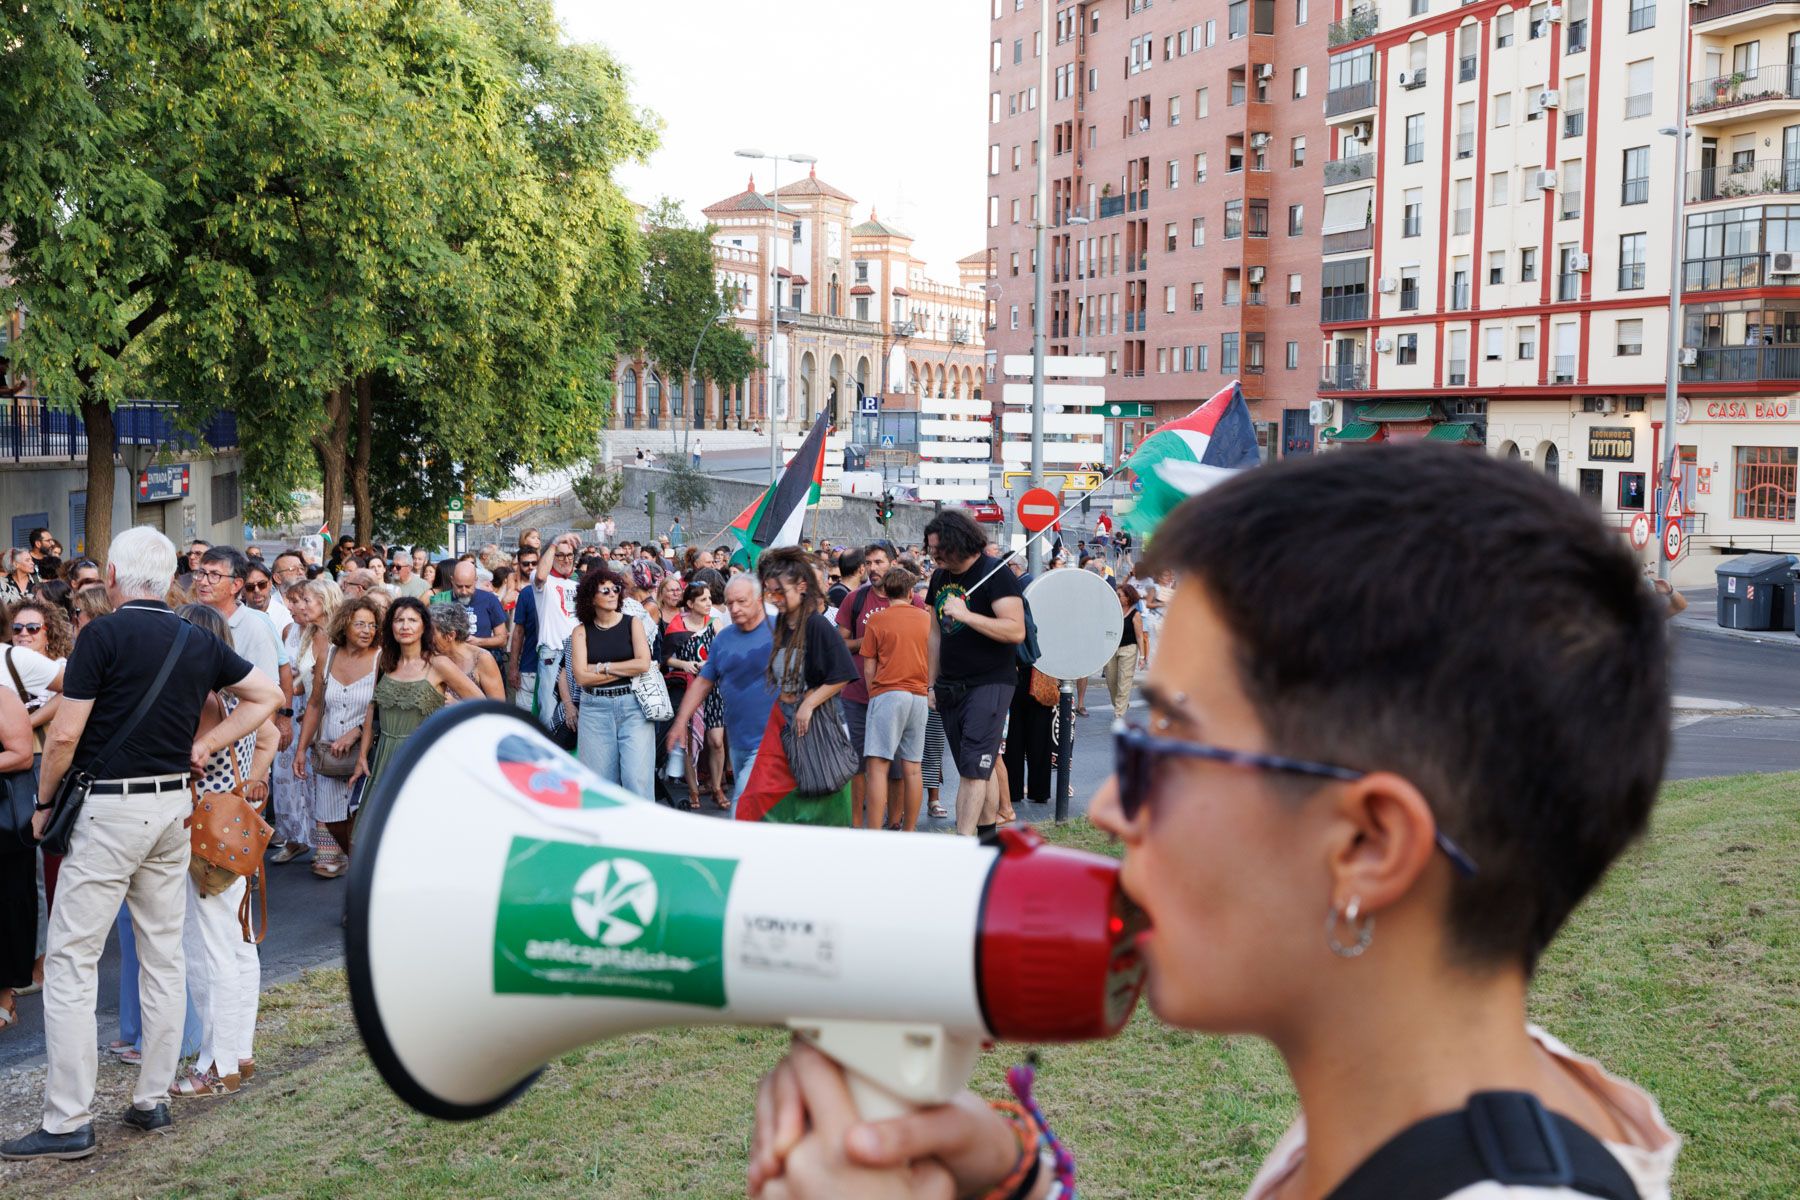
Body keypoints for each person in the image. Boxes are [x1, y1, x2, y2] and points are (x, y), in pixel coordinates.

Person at [746, 445, 1682, 1200]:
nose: (1110, 806)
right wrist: (1009, 1178)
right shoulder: (1419, 1112)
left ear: (1366, 848)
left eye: (1170, 746)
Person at [4, 527, 279, 1162]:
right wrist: (206, 744)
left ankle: (67, 1119)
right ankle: (151, 1098)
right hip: (172, 807)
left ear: (116, 578)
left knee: (72, 960)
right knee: (163, 954)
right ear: (168, 578)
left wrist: (43, 804)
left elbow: (65, 735)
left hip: (110, 809)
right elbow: (268, 696)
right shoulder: (193, 636)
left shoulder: (102, 635)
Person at [170, 603, 278, 1100]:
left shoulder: (198, 701)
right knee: (238, 945)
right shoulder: (236, 697)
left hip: (203, 836)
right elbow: (270, 735)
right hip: (234, 829)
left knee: (207, 952)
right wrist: (248, 784)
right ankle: (239, 1053)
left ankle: (216, 1065)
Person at [923, 510, 1025, 838]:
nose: (934, 556)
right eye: (931, 549)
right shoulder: (939, 578)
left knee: (972, 768)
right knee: (980, 766)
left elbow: (1015, 630)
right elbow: (935, 634)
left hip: (989, 682)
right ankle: (987, 836)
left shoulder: (995, 574)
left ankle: (962, 844)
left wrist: (967, 615)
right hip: (950, 685)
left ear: (959, 542)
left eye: (939, 549)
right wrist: (931, 683)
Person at [758, 548, 858, 826]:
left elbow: (842, 673)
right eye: (769, 592)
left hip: (819, 729)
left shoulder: (817, 625)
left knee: (822, 806)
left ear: (802, 586)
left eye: (780, 592)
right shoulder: (783, 624)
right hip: (788, 727)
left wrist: (809, 704)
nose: (774, 599)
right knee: (776, 808)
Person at [351, 598, 482, 800]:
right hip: (385, 757)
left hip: (423, 758)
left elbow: (481, 704)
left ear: (424, 626)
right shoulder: (385, 660)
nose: (405, 626)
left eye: (412, 620)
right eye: (399, 620)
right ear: (391, 626)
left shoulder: (439, 664)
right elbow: (372, 707)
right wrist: (362, 756)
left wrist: (443, 729)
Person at [668, 574, 778, 806]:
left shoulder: (780, 629)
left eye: (742, 602)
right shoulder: (724, 638)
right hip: (739, 741)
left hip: (772, 741)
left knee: (743, 806)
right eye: (730, 603)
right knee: (762, 811)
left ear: (759, 600)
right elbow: (703, 681)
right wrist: (681, 721)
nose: (734, 609)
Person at [292, 596, 381, 879]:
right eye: (360, 624)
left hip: (367, 752)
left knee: (360, 817)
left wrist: (357, 732)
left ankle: (365, 874)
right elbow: (315, 704)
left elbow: (383, 707)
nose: (367, 631)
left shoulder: (381, 659)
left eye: (372, 625)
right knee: (331, 826)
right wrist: (301, 749)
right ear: (345, 624)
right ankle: (343, 860)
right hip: (330, 752)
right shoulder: (328, 655)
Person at [192, 547, 289, 754]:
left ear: (236, 585)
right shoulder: (190, 619)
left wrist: (258, 764)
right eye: (201, 573)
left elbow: (267, 701)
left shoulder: (255, 627)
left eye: (214, 575)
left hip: (236, 749)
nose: (203, 581)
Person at [268, 578, 338, 865]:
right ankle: (298, 838)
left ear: (326, 602)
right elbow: (303, 682)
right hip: (306, 712)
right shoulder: (307, 632)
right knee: (296, 778)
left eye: (305, 600)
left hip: (332, 717)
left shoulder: (338, 636)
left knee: (326, 784)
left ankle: (332, 849)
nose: (297, 606)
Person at [568, 567, 655, 796]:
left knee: (637, 780)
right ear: (591, 598)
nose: (612, 594)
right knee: (600, 786)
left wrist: (602, 667)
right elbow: (581, 677)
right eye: (604, 590)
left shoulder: (632, 623)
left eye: (615, 589)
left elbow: (643, 664)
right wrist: (626, 668)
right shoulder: (580, 632)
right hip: (594, 709)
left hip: (632, 705)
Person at [858, 567, 930, 832]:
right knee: (913, 767)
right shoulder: (925, 618)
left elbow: (869, 666)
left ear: (886, 592)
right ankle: (909, 831)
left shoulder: (877, 620)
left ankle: (875, 832)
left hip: (888, 692)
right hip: (919, 696)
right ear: (911, 592)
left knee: (877, 767)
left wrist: (873, 694)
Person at [657, 581, 723, 810]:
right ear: (690, 603)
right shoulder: (677, 625)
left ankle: (717, 787)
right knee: (688, 742)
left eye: (709, 598)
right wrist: (684, 664)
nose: (708, 603)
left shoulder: (715, 623)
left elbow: (724, 653)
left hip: (713, 688)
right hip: (687, 688)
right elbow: (665, 658)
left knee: (716, 741)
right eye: (703, 599)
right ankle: (694, 789)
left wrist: (710, 663)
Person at [0, 687, 37, 1032]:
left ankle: (4, 999)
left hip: (4, 825)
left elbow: (23, 755)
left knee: (7, 908)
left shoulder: (2, 697)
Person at [532, 533, 582, 728]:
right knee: (548, 710)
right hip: (552, 652)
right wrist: (554, 543)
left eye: (569, 555)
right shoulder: (543, 581)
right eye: (560, 555)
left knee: (577, 708)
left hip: (576, 652)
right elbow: (540, 576)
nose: (566, 560)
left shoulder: (577, 585)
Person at [430, 602, 506, 701]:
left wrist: (457, 705)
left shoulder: (482, 659)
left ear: (450, 636)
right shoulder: (431, 656)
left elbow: (498, 706)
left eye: (430, 633)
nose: (425, 638)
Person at [1103, 581, 1147, 719]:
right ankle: (1122, 705)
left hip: (1128, 650)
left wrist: (1142, 657)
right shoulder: (1113, 611)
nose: (1117, 597)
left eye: (1119, 595)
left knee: (1124, 683)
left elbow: (1140, 636)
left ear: (1128, 598)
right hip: (1111, 650)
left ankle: (1119, 715)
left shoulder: (1135, 614)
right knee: (1111, 683)